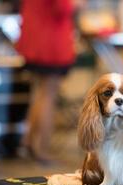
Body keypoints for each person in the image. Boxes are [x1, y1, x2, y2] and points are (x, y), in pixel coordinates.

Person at [16, 0, 75, 162]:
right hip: (51, 41)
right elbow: (63, 8)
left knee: (39, 93)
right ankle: (41, 148)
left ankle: (28, 142)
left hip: (33, 37)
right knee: (48, 95)